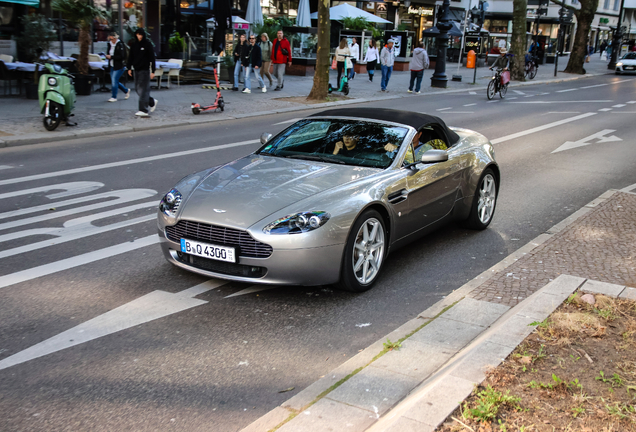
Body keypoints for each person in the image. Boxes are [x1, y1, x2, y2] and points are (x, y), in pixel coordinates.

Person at [126, 28, 157, 117]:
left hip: (145, 69)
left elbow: (152, 58)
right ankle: (151, 101)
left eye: (141, 34)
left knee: (143, 90)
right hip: (136, 69)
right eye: (138, 34)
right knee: (137, 89)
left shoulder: (147, 44)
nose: (139, 36)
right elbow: (131, 57)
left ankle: (143, 109)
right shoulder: (134, 45)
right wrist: (129, 68)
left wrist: (153, 71)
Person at [106, 32, 130, 102]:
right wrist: (108, 56)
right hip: (112, 64)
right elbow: (108, 52)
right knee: (114, 81)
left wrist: (112, 57)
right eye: (110, 39)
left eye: (112, 39)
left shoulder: (120, 45)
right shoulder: (109, 44)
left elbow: (122, 56)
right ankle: (126, 90)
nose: (111, 40)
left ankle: (114, 96)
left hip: (119, 65)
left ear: (115, 38)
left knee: (114, 80)